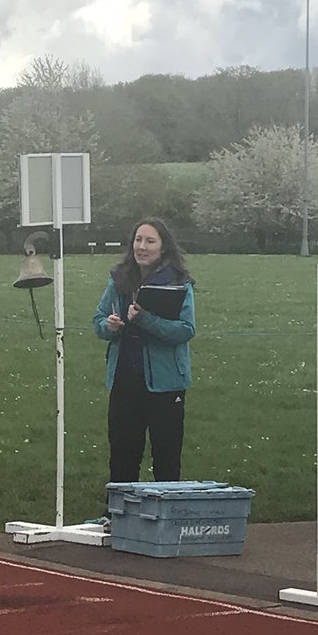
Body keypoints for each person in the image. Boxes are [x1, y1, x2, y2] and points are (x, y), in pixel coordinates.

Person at [92, 217, 196, 516]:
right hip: (125, 379)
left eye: (150, 241)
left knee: (166, 455)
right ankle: (118, 518)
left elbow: (186, 330)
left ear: (163, 247)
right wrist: (109, 325)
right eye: (138, 240)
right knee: (123, 454)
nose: (142, 246)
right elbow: (98, 322)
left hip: (165, 384)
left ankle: (166, 520)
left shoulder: (178, 283)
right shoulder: (118, 279)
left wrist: (146, 320)